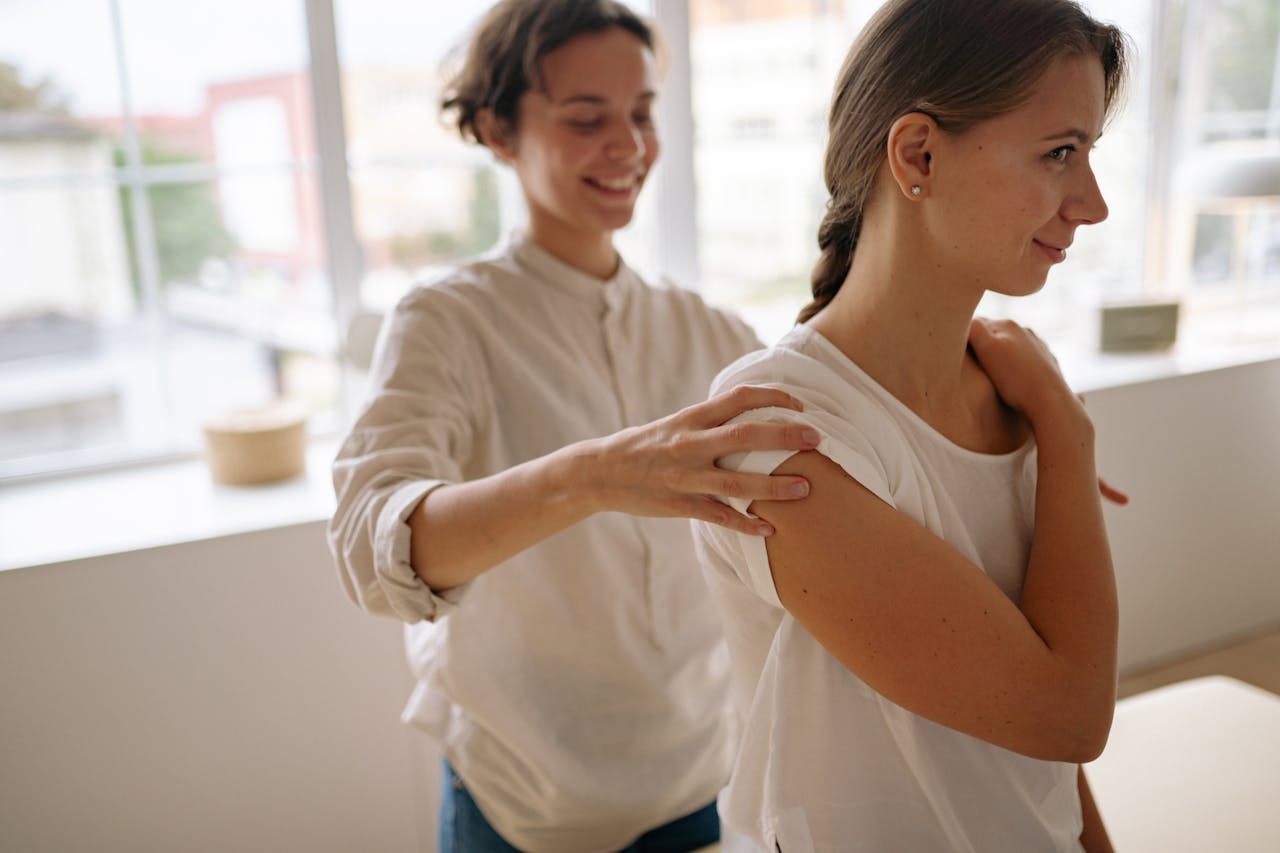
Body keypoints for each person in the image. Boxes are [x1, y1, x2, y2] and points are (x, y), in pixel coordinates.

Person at [326, 2, 821, 851]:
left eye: (641, 113)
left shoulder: (710, 333)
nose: (627, 145)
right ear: (498, 129)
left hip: (703, 772)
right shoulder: (446, 321)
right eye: (588, 117)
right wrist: (590, 476)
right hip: (520, 799)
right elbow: (376, 553)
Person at [692, 1, 1130, 850]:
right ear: (917, 153)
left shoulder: (1013, 391)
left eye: (1088, 155)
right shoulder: (780, 432)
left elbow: (1045, 762)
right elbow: (1067, 713)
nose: (1094, 203)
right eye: (1060, 153)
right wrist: (1069, 438)